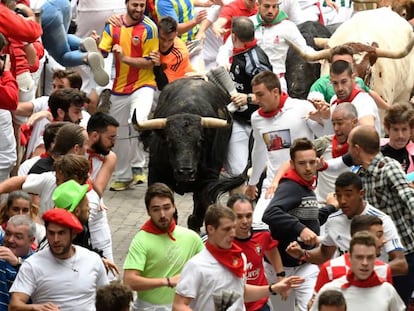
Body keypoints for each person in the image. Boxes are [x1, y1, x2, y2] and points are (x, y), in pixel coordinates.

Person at [173, 204, 305, 310]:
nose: (232, 234)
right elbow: (179, 305)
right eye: (226, 229)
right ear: (210, 229)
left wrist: (273, 288)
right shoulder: (196, 265)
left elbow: (240, 291)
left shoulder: (239, 256)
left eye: (233, 228)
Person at [262, 137, 336, 311]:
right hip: (281, 270)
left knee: (311, 308)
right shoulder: (290, 186)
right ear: (292, 164)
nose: (308, 168)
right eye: (302, 163)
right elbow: (270, 213)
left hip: (305, 265)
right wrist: (300, 229)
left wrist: (332, 207)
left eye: (312, 162)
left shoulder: (306, 185)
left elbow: (310, 217)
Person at [286, 172, 407, 276]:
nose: (343, 201)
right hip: (343, 290)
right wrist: (302, 254)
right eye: (339, 195)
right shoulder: (333, 220)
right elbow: (324, 254)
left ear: (361, 194)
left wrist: (363, 272)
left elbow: (401, 264)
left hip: (372, 287)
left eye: (348, 195)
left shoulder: (382, 221)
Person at [344, 125, 414, 305]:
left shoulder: (388, 167)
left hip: (406, 253)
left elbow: (410, 199)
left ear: (357, 149)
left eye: (350, 146)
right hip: (380, 255)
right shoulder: (361, 174)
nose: (348, 151)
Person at [244, 71, 324, 224]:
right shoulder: (257, 118)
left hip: (304, 185)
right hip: (273, 185)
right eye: (255, 95)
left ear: (275, 92)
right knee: (258, 227)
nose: (256, 99)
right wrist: (253, 182)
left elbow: (325, 134)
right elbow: (259, 151)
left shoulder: (301, 107)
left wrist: (324, 118)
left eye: (260, 95)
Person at [99, 0, 158, 191]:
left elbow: (150, 62)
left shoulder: (150, 28)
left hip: (144, 84)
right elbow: (103, 51)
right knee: (118, 133)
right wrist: (95, 44)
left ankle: (138, 165)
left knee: (138, 120)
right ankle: (123, 176)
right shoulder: (113, 24)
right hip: (119, 88)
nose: (139, 9)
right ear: (126, 4)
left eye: (142, 5)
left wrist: (124, 58)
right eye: (135, 5)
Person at [123, 183, 204, 310]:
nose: (162, 215)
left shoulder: (191, 237)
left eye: (166, 208)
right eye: (156, 209)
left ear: (174, 207)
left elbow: (207, 268)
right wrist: (167, 281)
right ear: (148, 211)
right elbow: (129, 281)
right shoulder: (141, 240)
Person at [9, 208, 109, 310]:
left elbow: (107, 299)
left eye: (61, 233)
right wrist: (36, 308)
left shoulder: (92, 259)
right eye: (51, 233)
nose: (56, 239)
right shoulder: (32, 264)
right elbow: (14, 306)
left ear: (73, 234)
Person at [225, 16, 272, 177]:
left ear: (233, 36)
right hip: (238, 121)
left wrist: (248, 98)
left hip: (260, 123)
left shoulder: (255, 63)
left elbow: (271, 95)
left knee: (263, 170)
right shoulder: (239, 53)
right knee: (237, 171)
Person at [310, 231, 406, 311]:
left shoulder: (387, 290)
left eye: (370, 257)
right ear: (350, 258)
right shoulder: (330, 290)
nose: (365, 263)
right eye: (359, 257)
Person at [227, 193, 284, 311]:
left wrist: (280, 275)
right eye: (239, 217)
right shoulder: (218, 239)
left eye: (248, 216)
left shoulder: (262, 232)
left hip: (259, 304)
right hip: (231, 305)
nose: (245, 221)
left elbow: (272, 250)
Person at [307, 44, 388, 111]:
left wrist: (389, 108)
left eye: (347, 64)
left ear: (352, 64)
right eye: (339, 63)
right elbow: (313, 106)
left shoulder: (358, 81)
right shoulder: (320, 85)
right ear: (331, 64)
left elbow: (370, 94)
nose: (343, 67)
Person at [0, 215, 35, 310]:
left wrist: (18, 263)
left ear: (31, 241)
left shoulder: (36, 262)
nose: (10, 240)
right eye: (7, 234)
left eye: (18, 237)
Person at [86, 112, 119, 197]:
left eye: (115, 138)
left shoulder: (109, 157)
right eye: (110, 138)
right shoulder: (77, 150)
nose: (113, 143)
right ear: (95, 136)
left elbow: (98, 192)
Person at [381, 103, 414, 173]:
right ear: (387, 129)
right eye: (395, 130)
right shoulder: (376, 150)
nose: (400, 136)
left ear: (411, 130)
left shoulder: (412, 154)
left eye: (404, 129)